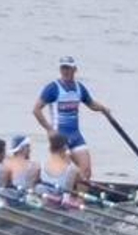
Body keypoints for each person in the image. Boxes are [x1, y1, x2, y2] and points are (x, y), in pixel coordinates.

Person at [31, 56, 113, 185]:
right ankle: (63, 195)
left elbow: (91, 104)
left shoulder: (80, 88)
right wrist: (49, 129)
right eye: (63, 68)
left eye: (68, 68)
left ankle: (78, 199)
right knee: (65, 172)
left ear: (75, 69)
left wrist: (104, 109)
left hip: (76, 135)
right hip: (59, 137)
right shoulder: (52, 88)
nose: (65, 71)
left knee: (86, 171)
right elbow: (36, 110)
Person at [35, 133, 81, 198]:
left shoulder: (40, 165)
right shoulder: (72, 169)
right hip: (62, 204)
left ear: (50, 148)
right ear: (65, 149)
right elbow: (81, 181)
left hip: (43, 200)